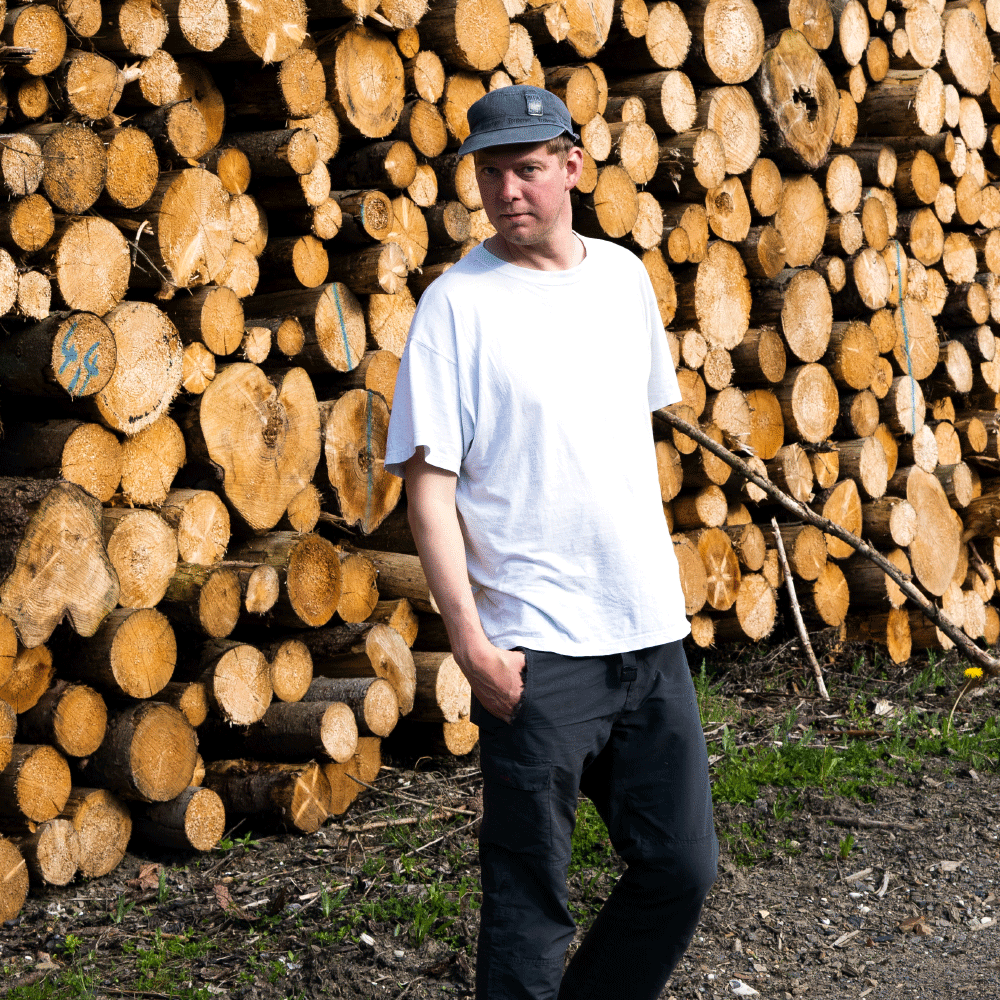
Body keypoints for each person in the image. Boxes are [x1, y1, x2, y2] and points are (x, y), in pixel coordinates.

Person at [384, 84, 718, 1000]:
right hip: (535, 653)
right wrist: (470, 641)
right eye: (489, 173)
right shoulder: (456, 307)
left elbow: (619, 438)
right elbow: (428, 488)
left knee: (681, 871)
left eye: (527, 169)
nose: (507, 190)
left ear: (573, 165)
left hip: (647, 632)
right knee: (530, 906)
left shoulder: (621, 280)